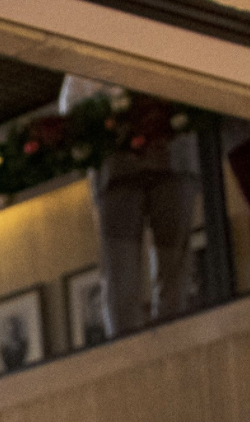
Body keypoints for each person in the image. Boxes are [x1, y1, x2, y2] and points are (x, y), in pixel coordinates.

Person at [63, 75, 197, 336]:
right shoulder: (82, 72)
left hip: (173, 159)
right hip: (116, 172)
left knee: (174, 265)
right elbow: (71, 114)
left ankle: (176, 339)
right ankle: (126, 346)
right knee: (121, 272)